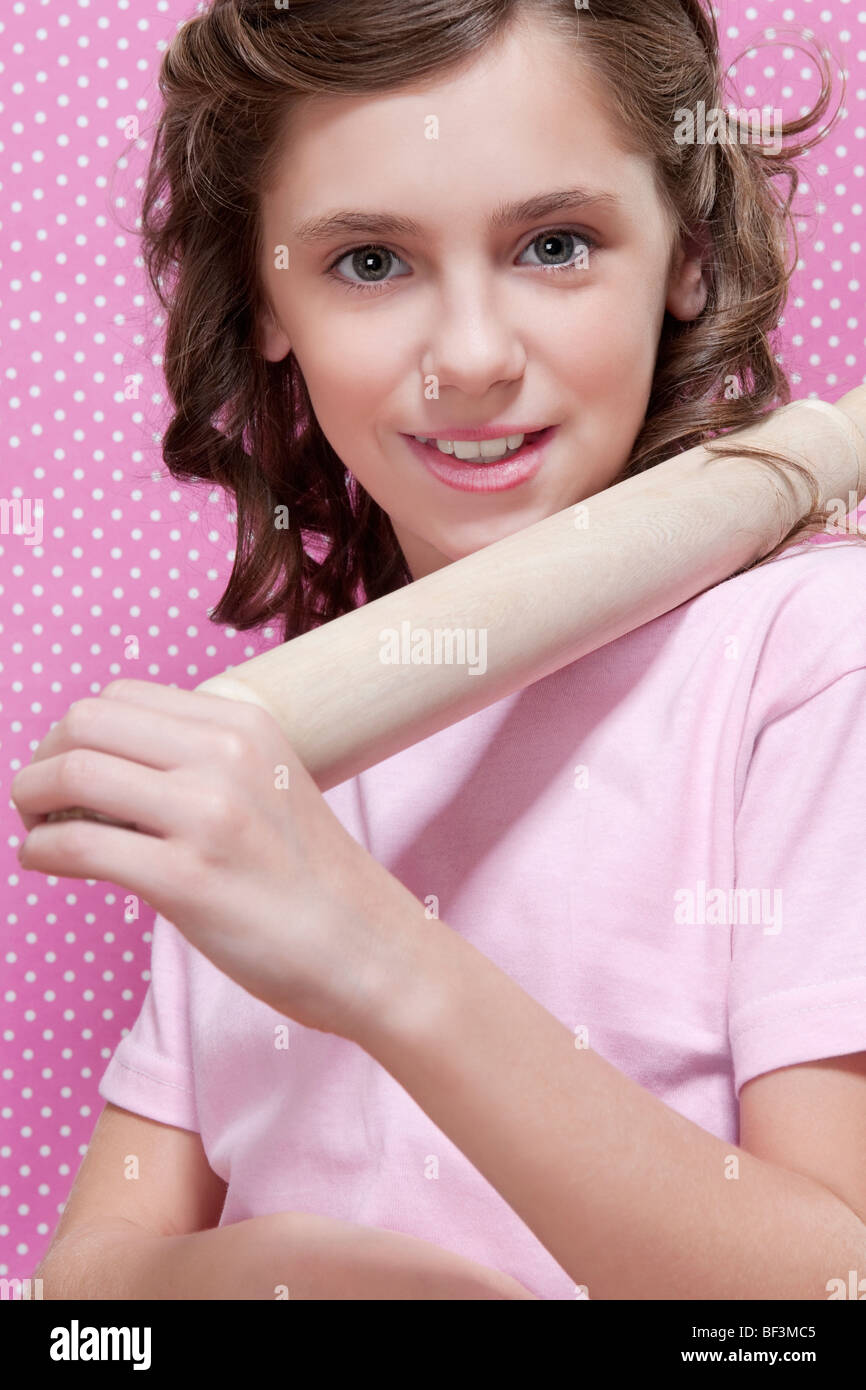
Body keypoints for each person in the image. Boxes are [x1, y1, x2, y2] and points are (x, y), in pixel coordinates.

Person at [20, 0, 866, 1300]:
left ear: (688, 251)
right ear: (261, 300)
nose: (471, 357)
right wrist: (289, 1274)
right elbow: (83, 1322)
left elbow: (826, 1296)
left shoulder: (803, 657)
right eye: (370, 261)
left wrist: (373, 955)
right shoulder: (256, 763)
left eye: (555, 243)